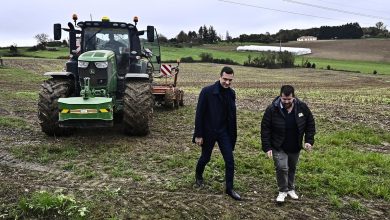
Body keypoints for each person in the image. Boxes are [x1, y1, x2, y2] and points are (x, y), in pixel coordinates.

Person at [193, 66, 241, 201]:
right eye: (225, 79)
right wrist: (198, 134)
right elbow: (199, 114)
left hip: (224, 132)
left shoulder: (231, 93)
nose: (227, 82)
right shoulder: (207, 91)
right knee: (205, 158)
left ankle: (229, 189)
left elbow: (231, 115)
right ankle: (198, 176)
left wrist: (232, 134)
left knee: (230, 160)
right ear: (220, 76)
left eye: (230, 80)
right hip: (208, 131)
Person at [261, 85, 315, 203]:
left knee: (291, 168)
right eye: (284, 99)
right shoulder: (272, 109)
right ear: (280, 96)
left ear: (293, 97)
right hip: (278, 145)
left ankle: (290, 189)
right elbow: (265, 128)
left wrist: (308, 140)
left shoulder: (302, 107)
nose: (286, 102)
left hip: (295, 145)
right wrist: (267, 147)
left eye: (289, 99)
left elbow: (310, 123)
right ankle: (282, 191)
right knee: (282, 167)